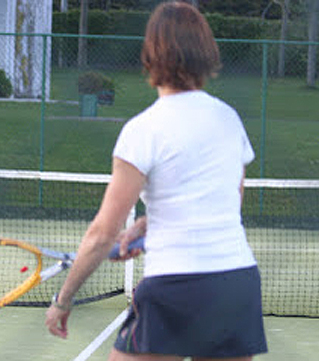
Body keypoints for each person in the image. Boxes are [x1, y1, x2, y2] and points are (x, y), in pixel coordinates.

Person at [45, 2, 267, 360]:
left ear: (151, 55)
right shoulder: (229, 120)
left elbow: (103, 233)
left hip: (176, 285)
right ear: (207, 52)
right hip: (236, 281)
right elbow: (227, 203)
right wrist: (150, 225)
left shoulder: (142, 130)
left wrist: (62, 299)